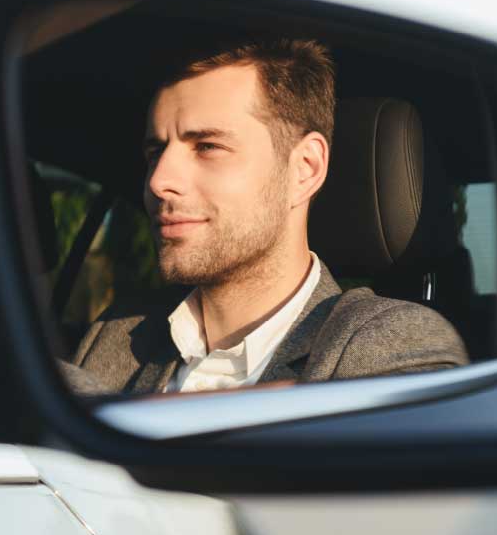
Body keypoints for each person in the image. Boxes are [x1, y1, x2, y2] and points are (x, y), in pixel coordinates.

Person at [65, 39, 467, 395]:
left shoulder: (392, 343)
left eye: (206, 146)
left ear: (304, 168)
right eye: (155, 152)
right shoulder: (117, 334)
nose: (159, 181)